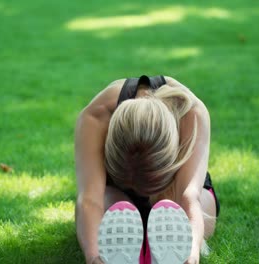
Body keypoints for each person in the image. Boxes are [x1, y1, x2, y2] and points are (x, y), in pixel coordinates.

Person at [74, 75, 220, 264]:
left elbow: (189, 196)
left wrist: (191, 255)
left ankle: (164, 247)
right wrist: (93, 257)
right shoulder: (97, 116)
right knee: (108, 204)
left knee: (196, 202)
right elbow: (89, 199)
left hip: (171, 195)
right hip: (117, 197)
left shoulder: (191, 113)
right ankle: (133, 246)